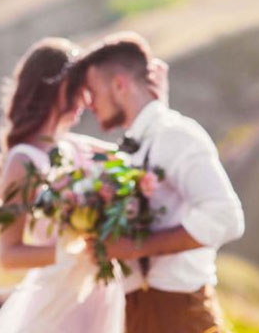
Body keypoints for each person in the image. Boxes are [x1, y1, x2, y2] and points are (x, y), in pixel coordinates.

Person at [0, 37, 167, 333]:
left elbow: (138, 156)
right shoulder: (23, 160)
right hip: (56, 303)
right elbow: (8, 254)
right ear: (55, 86)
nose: (86, 100)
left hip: (99, 295)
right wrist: (74, 251)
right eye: (79, 88)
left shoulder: (76, 147)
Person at [75, 31, 244, 333]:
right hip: (138, 313)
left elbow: (227, 218)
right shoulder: (132, 148)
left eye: (92, 91)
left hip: (179, 315)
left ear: (119, 85)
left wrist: (134, 247)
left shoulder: (176, 135)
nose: (89, 103)